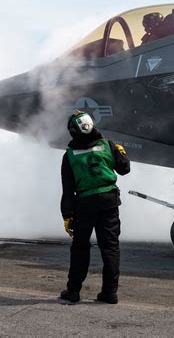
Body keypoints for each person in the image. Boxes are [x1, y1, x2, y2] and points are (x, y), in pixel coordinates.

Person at [59, 111, 130, 303]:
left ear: (74, 131)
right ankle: (110, 293)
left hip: (85, 205)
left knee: (80, 248)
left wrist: (67, 216)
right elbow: (125, 169)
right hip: (109, 202)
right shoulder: (108, 145)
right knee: (110, 248)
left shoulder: (70, 155)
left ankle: (73, 291)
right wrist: (121, 153)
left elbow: (68, 191)